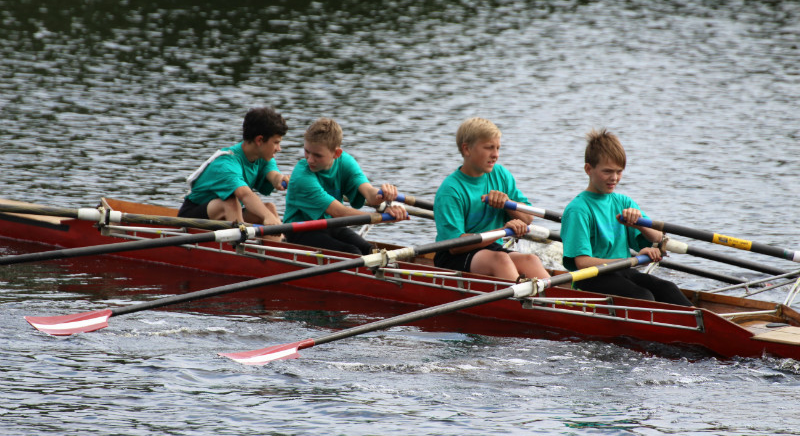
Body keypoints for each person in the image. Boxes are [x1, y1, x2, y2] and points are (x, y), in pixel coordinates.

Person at [560, 128, 693, 306]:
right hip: (590, 278)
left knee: (668, 289)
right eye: (607, 171)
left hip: (623, 271)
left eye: (619, 171)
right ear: (588, 169)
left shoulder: (624, 202)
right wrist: (631, 260)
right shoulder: (578, 210)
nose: (614, 178)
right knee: (643, 296)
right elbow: (582, 263)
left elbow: (659, 239)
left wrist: (639, 224)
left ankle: (700, 321)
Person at [433, 117, 549, 281]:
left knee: (531, 260)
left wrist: (507, 204)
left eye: (498, 148)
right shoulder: (450, 190)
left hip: (490, 247)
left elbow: (528, 218)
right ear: (467, 149)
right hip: (453, 256)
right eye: (489, 148)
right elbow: (455, 246)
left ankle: (558, 296)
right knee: (500, 260)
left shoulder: (501, 175)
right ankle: (522, 296)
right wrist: (502, 230)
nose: (495, 155)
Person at [282, 117, 408, 255]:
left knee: (370, 250)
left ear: (336, 153)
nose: (310, 160)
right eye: (307, 151)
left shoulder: (345, 162)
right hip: (299, 230)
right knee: (352, 252)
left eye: (317, 155)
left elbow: (369, 193)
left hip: (330, 224)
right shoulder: (302, 176)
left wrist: (384, 195)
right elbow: (340, 212)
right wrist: (383, 217)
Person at [178, 107, 290, 226]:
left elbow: (273, 174)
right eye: (276, 142)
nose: (279, 149)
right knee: (231, 202)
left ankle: (278, 238)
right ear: (259, 140)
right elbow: (245, 195)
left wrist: (280, 179)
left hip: (224, 216)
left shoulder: (262, 156)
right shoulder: (227, 164)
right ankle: (241, 237)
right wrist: (267, 217)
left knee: (269, 208)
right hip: (189, 218)